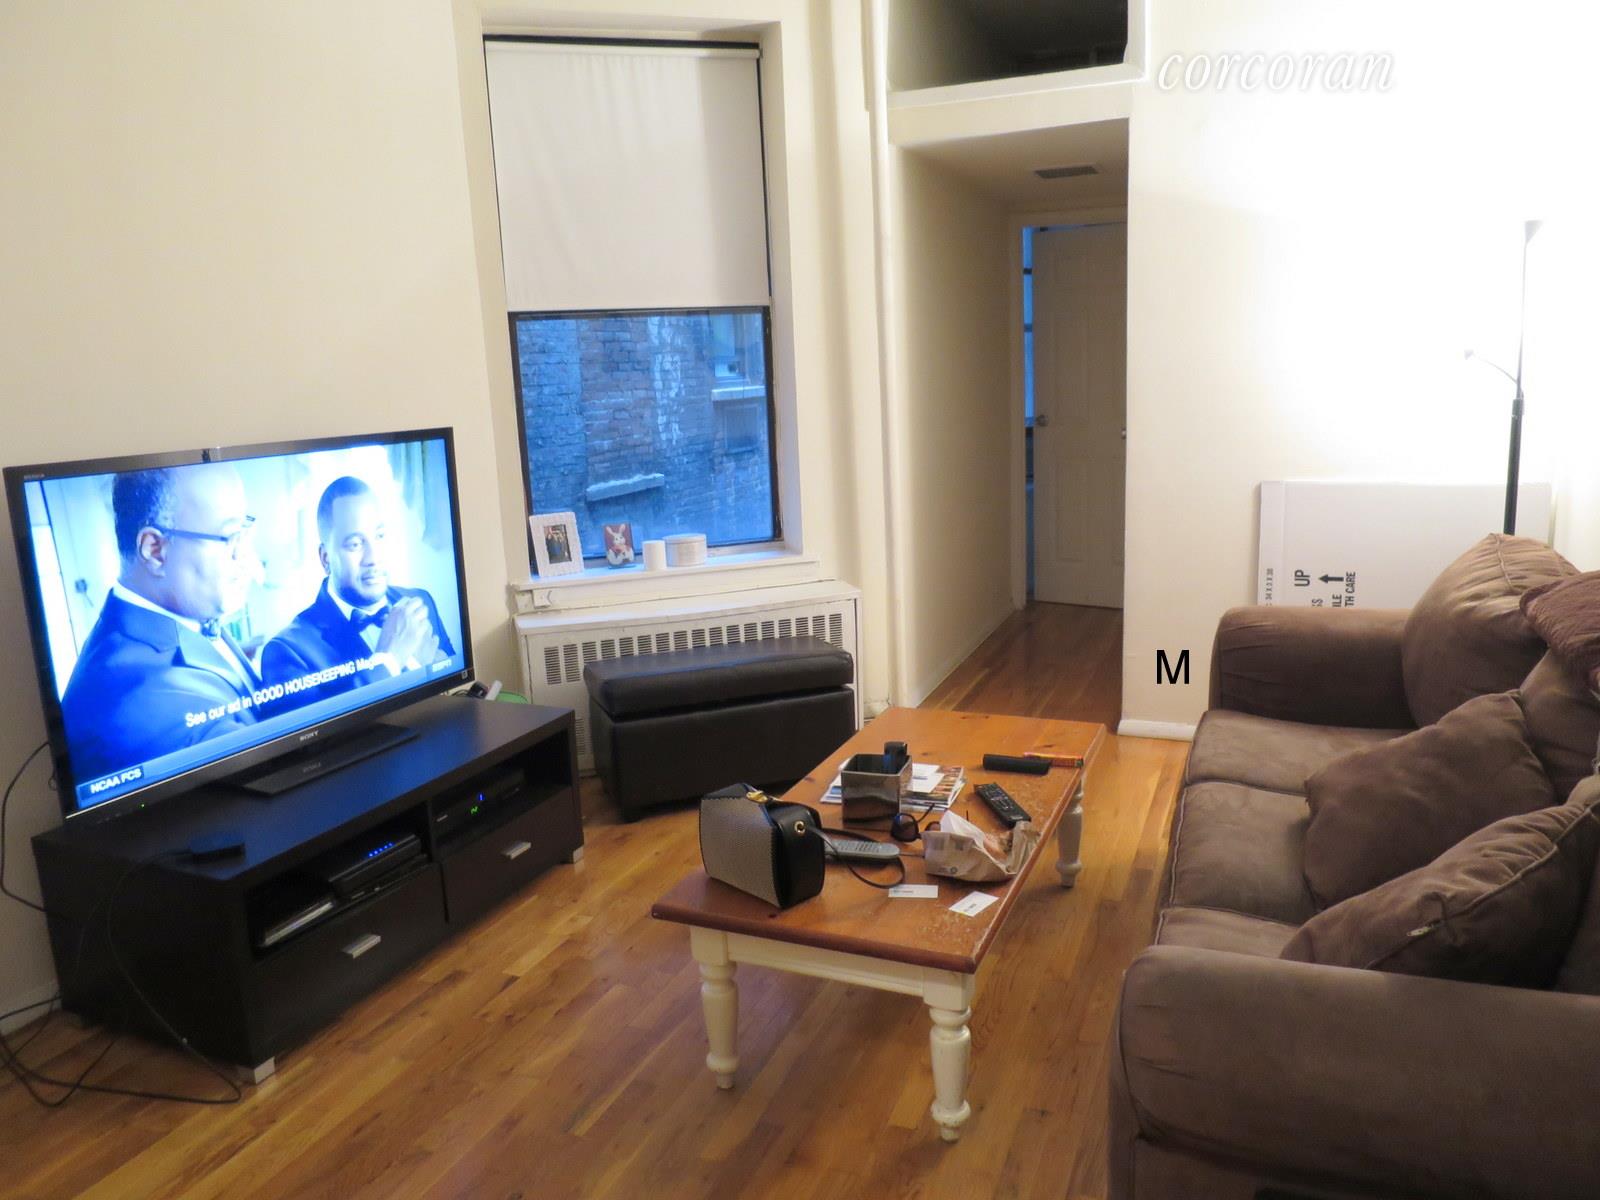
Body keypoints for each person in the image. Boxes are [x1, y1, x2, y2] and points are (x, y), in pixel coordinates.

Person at [60, 463, 261, 783]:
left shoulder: (182, 611)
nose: (247, 557)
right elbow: (265, 766)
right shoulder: (142, 699)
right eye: (229, 537)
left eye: (245, 531)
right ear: (155, 551)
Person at [261, 476, 456, 707]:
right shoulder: (287, 651)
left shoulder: (420, 601)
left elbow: (451, 686)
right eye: (355, 544)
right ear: (325, 558)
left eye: (379, 536)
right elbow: (330, 727)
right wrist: (393, 662)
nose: (373, 558)